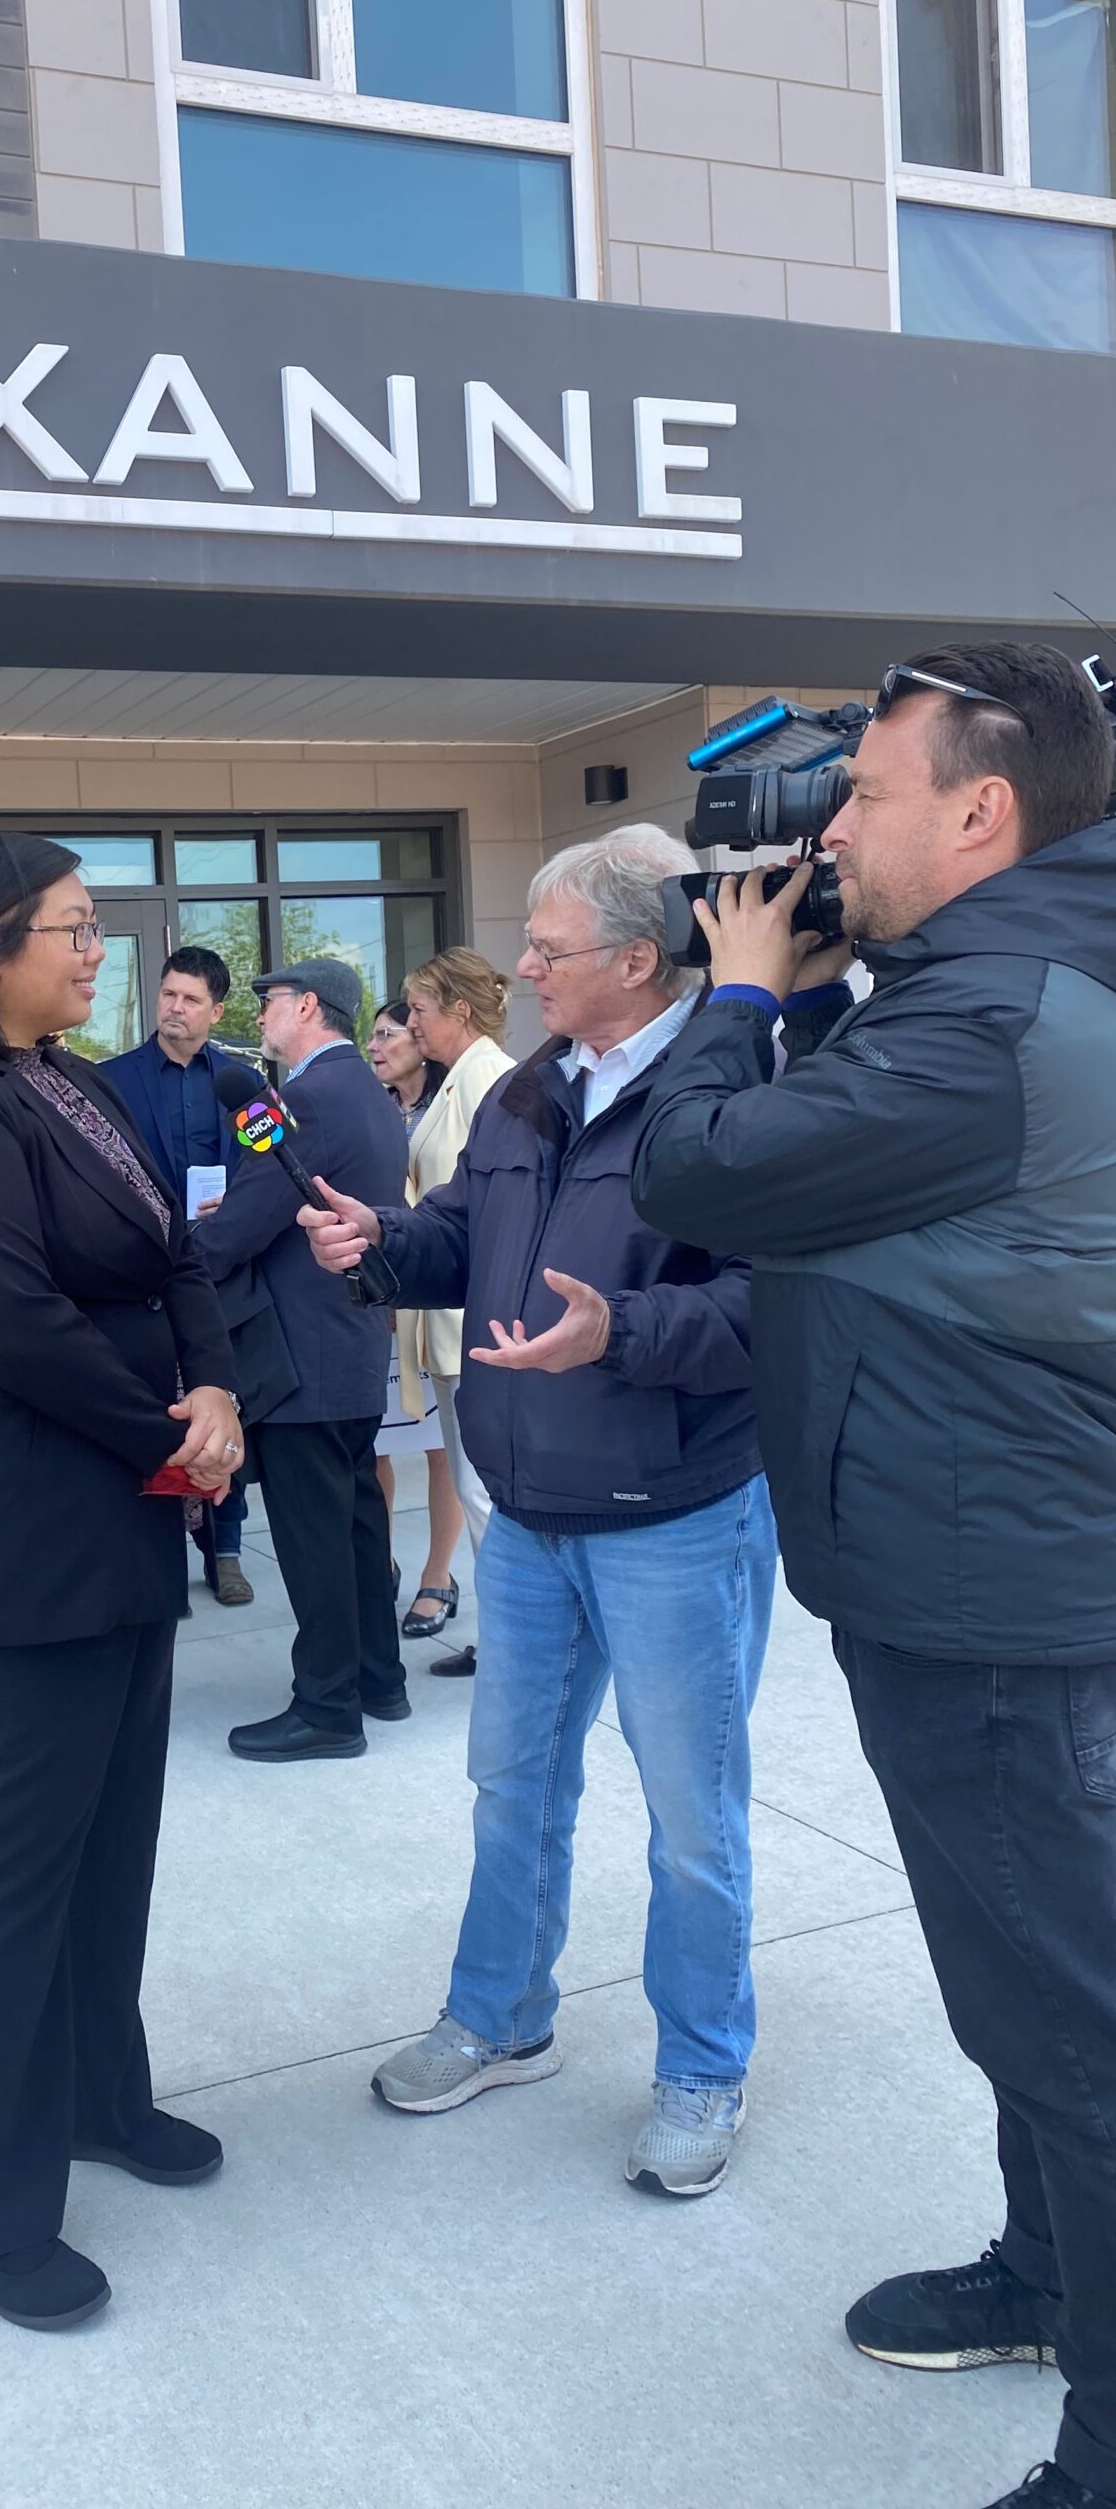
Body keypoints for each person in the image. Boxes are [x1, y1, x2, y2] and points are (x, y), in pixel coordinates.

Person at [631, 644, 1116, 2509]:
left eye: (864, 794)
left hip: (995, 1594)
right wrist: (820, 986)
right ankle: (1045, 2274)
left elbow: (700, 1168)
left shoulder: (987, 1020)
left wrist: (746, 995)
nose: (828, 828)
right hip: (969, 1566)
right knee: (1028, 1998)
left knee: (1070, 2026)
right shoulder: (983, 984)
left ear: (981, 812)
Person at [299, 828, 775, 2197]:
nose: (524, 968)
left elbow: (776, 1299)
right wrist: (378, 1246)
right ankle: (502, 2018)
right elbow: (463, 1235)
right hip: (530, 1514)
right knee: (511, 1784)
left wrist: (618, 1331)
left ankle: (702, 2071)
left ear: (640, 959)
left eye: (551, 951)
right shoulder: (524, 1096)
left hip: (675, 1516)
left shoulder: (733, 1076)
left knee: (695, 1819)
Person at [0, 833, 242, 2333]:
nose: (100, 955)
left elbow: (180, 1261)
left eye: (100, 931)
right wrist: (176, 1430)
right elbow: (13, 1325)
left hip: (121, 1518)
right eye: (73, 931)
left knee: (112, 1845)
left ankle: (99, 2097)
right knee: (15, 1866)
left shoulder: (76, 1086)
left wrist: (214, 1393)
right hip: (8, 1530)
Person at [192, 956, 410, 1761]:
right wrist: (246, 1206)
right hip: (347, 1344)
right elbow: (281, 1197)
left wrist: (183, 1259)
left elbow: (246, 1223)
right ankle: (377, 1679)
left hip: (300, 1352)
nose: (261, 1016)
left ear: (309, 1006)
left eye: (271, 1002)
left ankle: (326, 1708)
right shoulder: (367, 1091)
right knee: (354, 1522)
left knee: (316, 1535)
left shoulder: (308, 1097)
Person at [102, 946, 259, 1608]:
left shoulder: (242, 1084)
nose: (175, 1008)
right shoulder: (110, 1080)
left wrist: (241, 1202)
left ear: (216, 1010)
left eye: (190, 999)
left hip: (225, 1277)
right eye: (168, 994)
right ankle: (158, 1551)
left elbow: (275, 1162)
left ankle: (225, 1551)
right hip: (146, 1279)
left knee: (223, 1413)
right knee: (160, 1417)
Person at [394, 956, 516, 1670]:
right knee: (476, 1486)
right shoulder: (458, 1082)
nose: (410, 1023)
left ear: (459, 1011)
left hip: (472, 1316)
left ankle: (510, 1641)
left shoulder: (489, 1082)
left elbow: (498, 1208)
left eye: (419, 1009)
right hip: (448, 1313)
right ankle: (504, 1637)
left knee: (483, 1489)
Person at [364, 1001, 461, 1639]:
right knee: (378, 1443)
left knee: (439, 1446)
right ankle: (383, 1563)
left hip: (433, 1294)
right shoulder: (369, 1108)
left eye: (388, 1033)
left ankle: (438, 1576)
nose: (374, 1045)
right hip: (378, 1300)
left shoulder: (450, 1106)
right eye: (369, 1034)